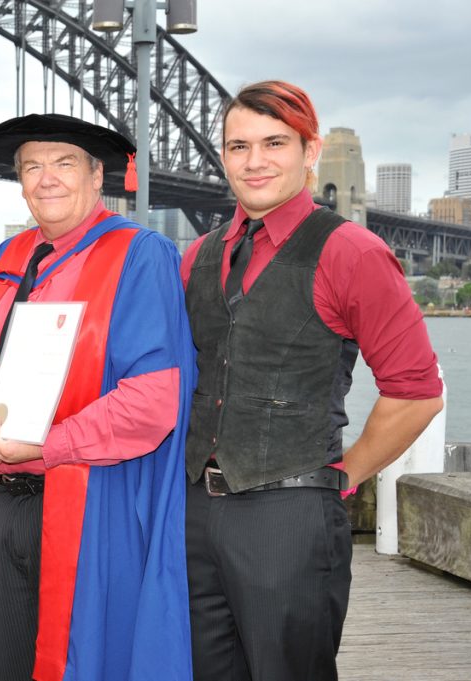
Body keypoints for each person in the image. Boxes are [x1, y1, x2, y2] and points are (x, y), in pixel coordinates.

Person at [180, 80, 443, 681]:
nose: (255, 161)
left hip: (290, 514)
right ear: (222, 155)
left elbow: (416, 390)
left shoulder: (352, 251)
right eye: (238, 146)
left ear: (310, 149)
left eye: (274, 143)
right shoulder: (197, 256)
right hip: (194, 513)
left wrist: (343, 475)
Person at [0, 113, 197, 681]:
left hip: (93, 503)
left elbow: (151, 400)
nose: (47, 179)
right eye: (32, 166)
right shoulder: (8, 258)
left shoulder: (139, 256)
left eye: (64, 163)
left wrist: (45, 446)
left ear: (97, 176)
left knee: (86, 664)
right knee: (15, 666)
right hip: (4, 502)